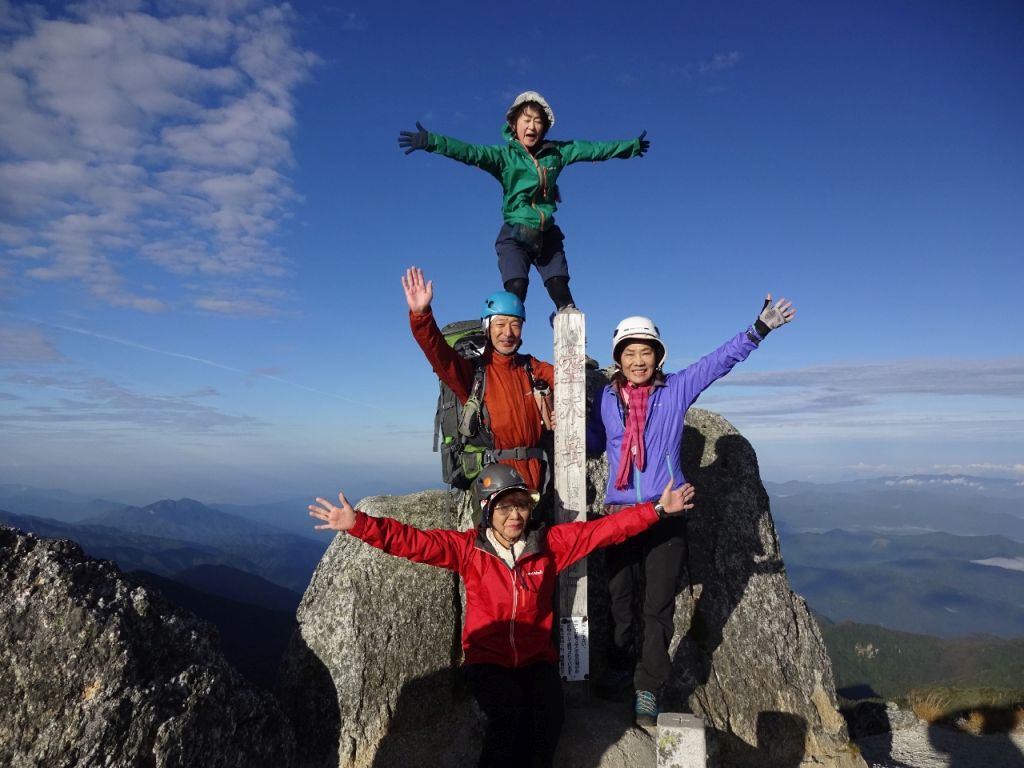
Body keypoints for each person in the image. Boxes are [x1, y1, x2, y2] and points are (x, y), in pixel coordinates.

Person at [308, 463, 696, 768]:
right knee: (509, 716)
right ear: (488, 510)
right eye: (505, 506)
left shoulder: (549, 545)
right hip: (487, 661)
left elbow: (604, 531)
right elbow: (413, 543)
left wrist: (658, 510)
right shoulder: (468, 550)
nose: (515, 515)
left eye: (522, 505)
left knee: (548, 719)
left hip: (536, 660)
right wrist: (358, 524)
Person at [588, 295, 796, 726]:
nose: (639, 360)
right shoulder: (606, 400)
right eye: (630, 353)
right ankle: (621, 664)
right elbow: (595, 441)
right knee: (620, 598)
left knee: (657, 605)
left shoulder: (676, 390)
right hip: (621, 514)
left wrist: (758, 330)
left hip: (668, 511)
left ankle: (647, 687)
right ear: (618, 359)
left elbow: (717, 362)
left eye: (646, 352)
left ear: (658, 356)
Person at [398, 91, 649, 312]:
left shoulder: (557, 153)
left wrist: (631, 147)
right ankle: (502, 345)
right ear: (514, 124)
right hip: (515, 235)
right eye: (526, 120)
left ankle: (571, 343)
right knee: (516, 291)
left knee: (561, 291)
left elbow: (594, 149)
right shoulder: (503, 157)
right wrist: (431, 142)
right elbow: (469, 152)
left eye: (538, 121)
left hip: (546, 234)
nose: (532, 126)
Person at [402, 265, 552, 496]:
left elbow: (564, 378)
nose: (508, 333)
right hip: (494, 482)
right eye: (500, 324)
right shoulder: (474, 373)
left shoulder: (531, 367)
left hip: (536, 477)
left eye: (515, 324)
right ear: (487, 327)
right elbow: (441, 357)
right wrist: (422, 317)